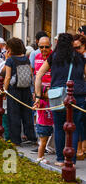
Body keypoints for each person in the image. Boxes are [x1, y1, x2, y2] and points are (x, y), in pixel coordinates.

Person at [35, 33, 86, 166]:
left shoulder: (54, 57)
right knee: (73, 128)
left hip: (58, 96)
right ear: (71, 44)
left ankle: (60, 159)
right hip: (78, 96)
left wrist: (38, 95)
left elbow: (39, 75)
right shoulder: (80, 58)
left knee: (58, 127)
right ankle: (71, 161)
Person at [4, 37, 37, 146]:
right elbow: (31, 75)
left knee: (14, 115)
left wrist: (5, 89)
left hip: (14, 91)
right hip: (26, 89)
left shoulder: (10, 60)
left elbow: (7, 77)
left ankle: (16, 140)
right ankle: (31, 137)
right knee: (27, 114)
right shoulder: (26, 58)